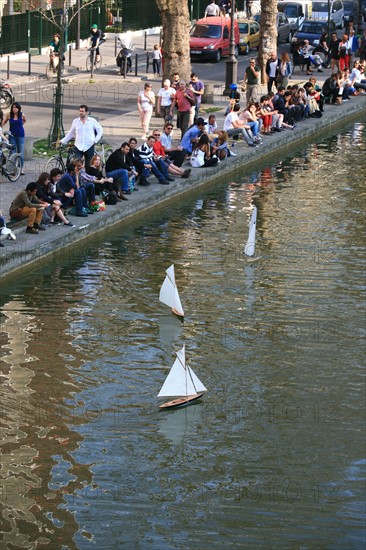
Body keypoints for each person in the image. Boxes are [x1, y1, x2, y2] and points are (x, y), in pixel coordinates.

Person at [3, 102, 26, 175]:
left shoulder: (22, 115)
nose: (14, 109)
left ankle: (21, 168)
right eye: (13, 107)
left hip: (20, 135)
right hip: (12, 136)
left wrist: (21, 125)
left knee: (20, 152)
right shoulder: (9, 115)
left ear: (19, 108)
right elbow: (4, 121)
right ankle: (13, 168)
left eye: (16, 107)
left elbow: (24, 120)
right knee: (12, 152)